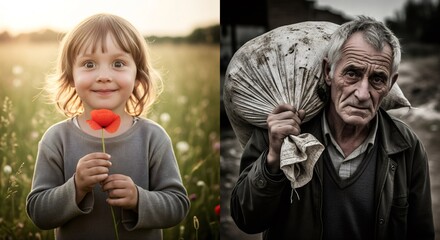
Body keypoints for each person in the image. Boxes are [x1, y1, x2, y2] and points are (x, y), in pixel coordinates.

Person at [230, 16, 434, 240]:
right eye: (352, 73)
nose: (363, 94)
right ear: (328, 72)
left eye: (377, 79)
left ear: (390, 84)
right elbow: (247, 219)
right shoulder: (281, 130)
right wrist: (273, 159)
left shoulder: (407, 146)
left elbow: (420, 231)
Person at [26, 13, 190, 240]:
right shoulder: (57, 139)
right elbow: (38, 212)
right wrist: (76, 186)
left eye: (118, 64)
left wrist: (138, 199)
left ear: (138, 76)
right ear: (71, 76)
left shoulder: (153, 137)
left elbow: (178, 205)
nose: (104, 76)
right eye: (89, 64)